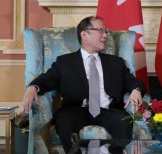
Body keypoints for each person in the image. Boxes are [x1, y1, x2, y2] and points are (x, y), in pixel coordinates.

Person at [23, 16, 145, 152]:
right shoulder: (65, 62)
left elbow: (132, 81)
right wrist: (33, 88)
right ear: (84, 35)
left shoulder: (116, 62)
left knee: (123, 121)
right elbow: (47, 79)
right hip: (76, 110)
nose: (105, 35)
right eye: (100, 31)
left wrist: (136, 90)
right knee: (64, 120)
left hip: (108, 110)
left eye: (106, 31)